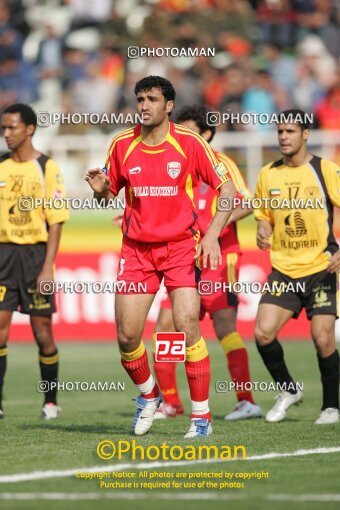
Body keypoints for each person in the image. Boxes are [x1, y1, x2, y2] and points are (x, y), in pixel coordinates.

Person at [85, 75, 236, 437]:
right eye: (140, 99)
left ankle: (201, 418)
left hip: (182, 248)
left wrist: (212, 234)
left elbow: (227, 190)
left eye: (152, 98)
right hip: (136, 251)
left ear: (169, 105)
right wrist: (101, 190)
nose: (144, 105)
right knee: (126, 337)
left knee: (186, 327)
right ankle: (149, 395)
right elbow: (109, 195)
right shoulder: (122, 144)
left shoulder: (190, 143)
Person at [152, 105, 262, 421]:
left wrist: (213, 230)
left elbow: (245, 203)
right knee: (165, 326)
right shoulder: (174, 162)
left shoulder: (222, 163)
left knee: (224, 325)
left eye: (189, 131)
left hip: (218, 257)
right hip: (182, 258)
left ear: (207, 134)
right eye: (180, 130)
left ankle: (246, 400)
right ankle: (171, 402)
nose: (182, 136)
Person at [254, 109, 340, 424]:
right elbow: (262, 213)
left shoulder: (325, 170)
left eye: (290, 131)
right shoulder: (268, 174)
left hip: (320, 269)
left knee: (323, 338)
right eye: (280, 132)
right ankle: (289, 390)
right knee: (263, 333)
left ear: (305, 134)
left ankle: (331, 406)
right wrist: (262, 227)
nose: (283, 137)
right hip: (284, 271)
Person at [0, 103, 69, 419]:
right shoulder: (1, 166)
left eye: (12, 127)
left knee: (43, 333)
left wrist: (47, 267)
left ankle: (50, 401)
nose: (6, 133)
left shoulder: (47, 167)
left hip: (34, 256)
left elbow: (56, 221)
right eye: (4, 128)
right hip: (3, 255)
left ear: (29, 129)